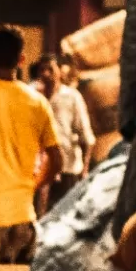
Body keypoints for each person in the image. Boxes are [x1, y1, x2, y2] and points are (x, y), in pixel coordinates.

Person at [0, 24, 62, 264]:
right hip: (20, 219)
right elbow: (56, 160)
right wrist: (33, 185)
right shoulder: (37, 103)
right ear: (21, 60)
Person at [29, 52, 95, 209]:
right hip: (40, 169)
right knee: (40, 216)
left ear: (60, 71)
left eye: (50, 69)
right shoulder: (32, 96)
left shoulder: (71, 97)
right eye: (42, 70)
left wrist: (84, 170)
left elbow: (87, 137)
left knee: (65, 215)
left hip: (68, 169)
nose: (46, 74)